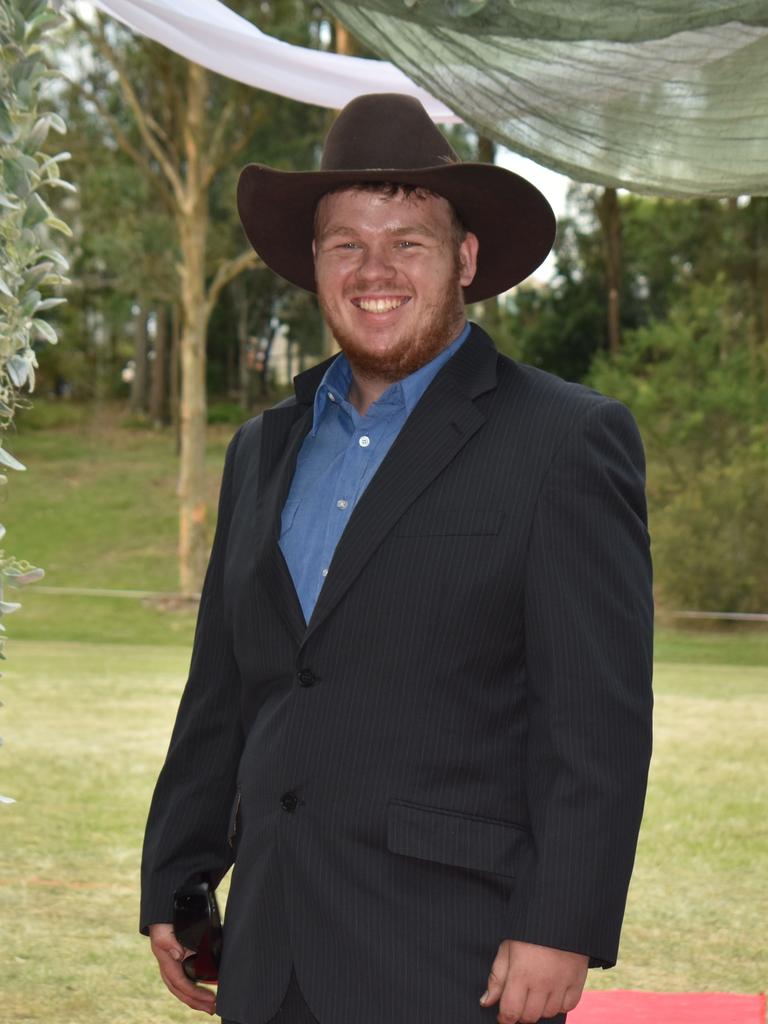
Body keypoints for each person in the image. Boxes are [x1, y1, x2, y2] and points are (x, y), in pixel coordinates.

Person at [141, 93, 653, 1024]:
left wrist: (562, 922)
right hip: (267, 949)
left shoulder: (567, 439)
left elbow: (597, 720)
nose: (374, 269)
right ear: (314, 264)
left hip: (454, 958)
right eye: (347, 243)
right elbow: (224, 687)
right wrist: (176, 881)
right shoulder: (261, 448)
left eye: (407, 241)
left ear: (463, 259)